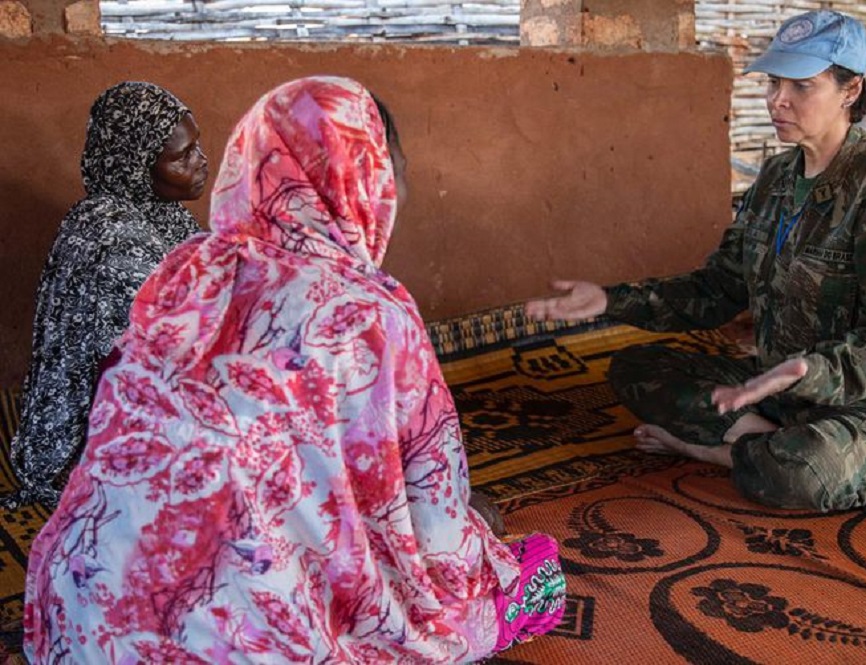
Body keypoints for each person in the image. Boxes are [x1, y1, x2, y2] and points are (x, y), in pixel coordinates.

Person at [24, 76, 565, 663]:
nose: (398, 192)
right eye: (395, 171)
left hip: (75, 616)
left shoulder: (186, 270)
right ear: (364, 176)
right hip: (233, 641)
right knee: (520, 570)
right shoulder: (368, 310)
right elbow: (435, 530)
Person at [526, 10, 866, 515]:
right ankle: (763, 442)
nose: (778, 99)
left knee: (805, 471)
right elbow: (717, 288)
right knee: (635, 368)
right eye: (775, 82)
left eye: (801, 85)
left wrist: (810, 371)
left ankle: (714, 449)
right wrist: (609, 299)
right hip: (777, 384)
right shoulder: (776, 178)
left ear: (850, 90)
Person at [3, 81, 207, 509]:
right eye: (182, 156)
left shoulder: (166, 217)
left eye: (197, 147)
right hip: (94, 440)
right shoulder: (108, 237)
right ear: (137, 165)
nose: (200, 161)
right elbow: (163, 357)